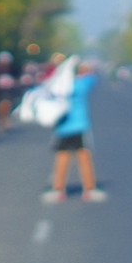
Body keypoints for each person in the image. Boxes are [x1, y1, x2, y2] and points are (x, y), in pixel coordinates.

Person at [44, 55, 105, 203]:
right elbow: (92, 77)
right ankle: (89, 189)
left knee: (62, 157)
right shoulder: (80, 85)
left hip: (63, 127)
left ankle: (59, 190)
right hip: (79, 126)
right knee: (84, 156)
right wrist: (82, 67)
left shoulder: (58, 86)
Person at [0, 51, 19, 133]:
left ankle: (6, 121)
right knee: (0, 107)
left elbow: (17, 81)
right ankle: (2, 122)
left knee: (7, 105)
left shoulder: (13, 71)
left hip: (9, 92)